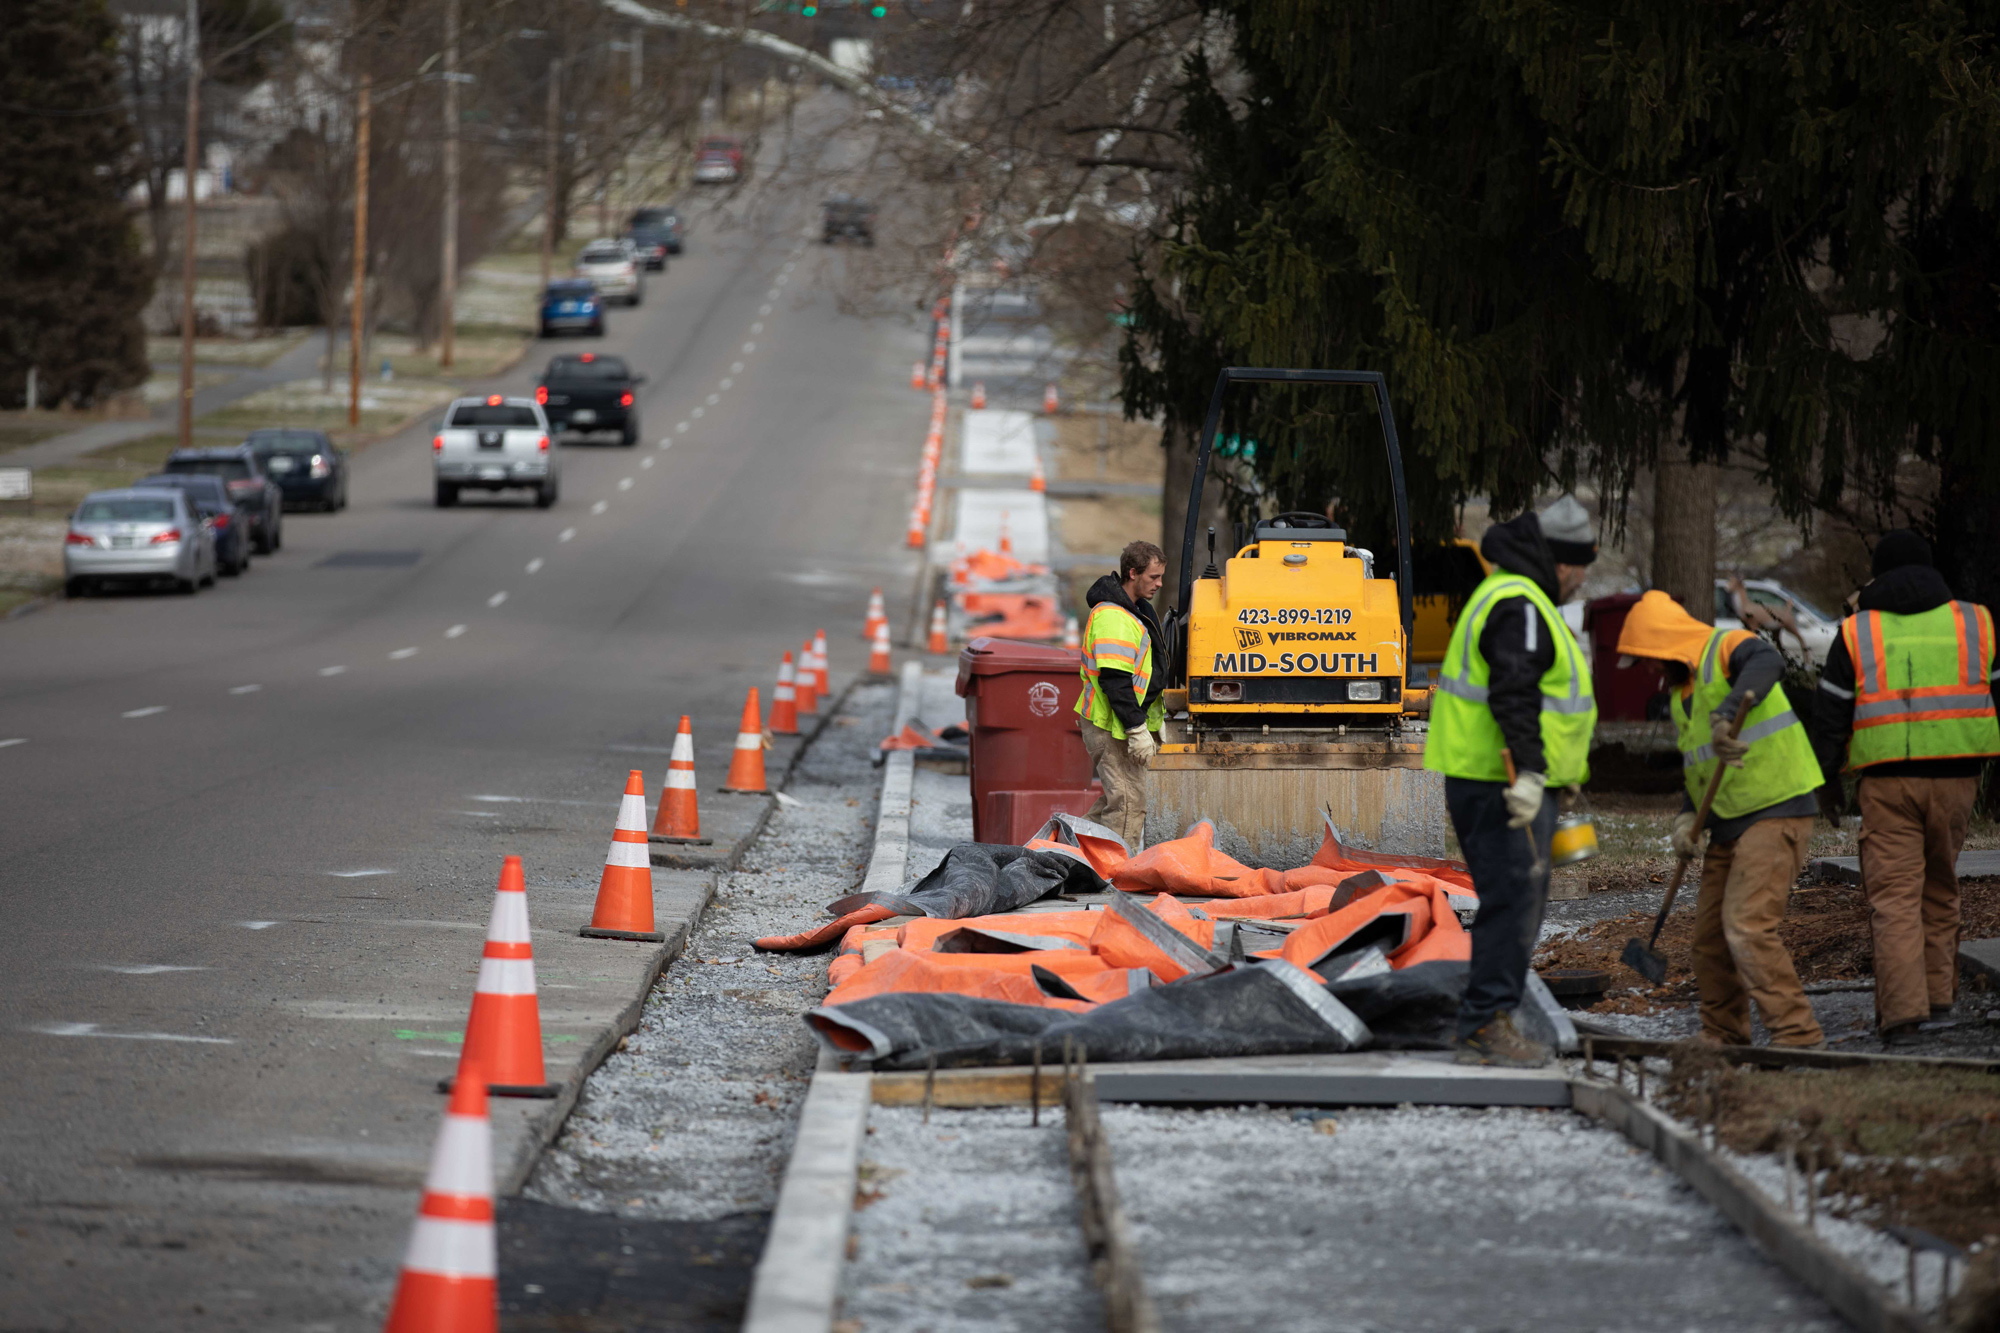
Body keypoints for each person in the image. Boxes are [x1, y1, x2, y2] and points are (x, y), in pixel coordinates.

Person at [1424, 496, 1598, 1066]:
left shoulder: (1514, 596)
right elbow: (1514, 692)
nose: (1579, 582)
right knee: (1513, 900)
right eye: (1580, 568)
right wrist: (1530, 772)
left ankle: (1487, 1017)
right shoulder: (1521, 603)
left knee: (1515, 898)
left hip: (1494, 777)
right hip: (1498, 781)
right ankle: (1484, 1025)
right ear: (1562, 562)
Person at [1812, 530, 1999, 1046]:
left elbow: (1829, 715)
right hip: (1960, 782)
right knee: (1941, 887)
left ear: (1878, 575)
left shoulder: (1858, 632)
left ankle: (1902, 1015)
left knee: (1895, 899)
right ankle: (1940, 999)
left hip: (1888, 784)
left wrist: (1826, 785)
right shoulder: (1974, 621)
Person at [1617, 590, 1825, 1049]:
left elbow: (1767, 660)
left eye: (1648, 659)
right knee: (1710, 940)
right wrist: (1686, 819)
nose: (1649, 670)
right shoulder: (1679, 696)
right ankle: (1724, 1035)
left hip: (1776, 809)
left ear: (1664, 643)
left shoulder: (1725, 647)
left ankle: (1798, 1037)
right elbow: (1701, 770)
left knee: (1747, 925)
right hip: (1729, 824)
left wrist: (1728, 711)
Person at [1075, 540, 1168, 851]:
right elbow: (1115, 681)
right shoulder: (1113, 617)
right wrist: (1136, 727)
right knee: (1127, 804)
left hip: (1117, 723)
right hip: (1111, 724)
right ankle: (1114, 876)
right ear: (1133, 573)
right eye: (1153, 577)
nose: (1159, 583)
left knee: (1116, 800)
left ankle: (1067, 851)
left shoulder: (1133, 610)